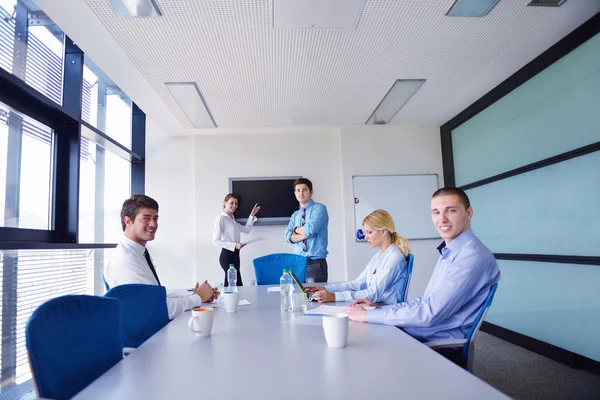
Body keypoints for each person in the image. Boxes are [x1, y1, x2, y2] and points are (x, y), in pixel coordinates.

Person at [347, 187, 500, 364]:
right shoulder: (451, 251)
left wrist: (366, 316)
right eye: (436, 212)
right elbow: (425, 302)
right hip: (420, 332)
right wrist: (380, 310)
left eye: (451, 210)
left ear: (469, 213)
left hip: (437, 345)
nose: (442, 219)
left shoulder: (471, 257)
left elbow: (429, 313)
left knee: (358, 351)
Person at [106, 194, 218, 319]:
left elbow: (156, 296)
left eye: (155, 218)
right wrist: (198, 298)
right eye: (146, 218)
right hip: (149, 335)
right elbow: (159, 308)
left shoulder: (137, 252)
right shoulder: (127, 260)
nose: (153, 224)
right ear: (128, 221)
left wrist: (195, 295)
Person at [304, 209, 409, 304]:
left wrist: (334, 297)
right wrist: (326, 289)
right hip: (376, 306)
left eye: (369, 232)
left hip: (387, 309)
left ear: (383, 232)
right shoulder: (378, 257)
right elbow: (356, 284)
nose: (365, 236)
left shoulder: (394, 258)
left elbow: (373, 293)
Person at [285, 178, 329, 282]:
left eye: (304, 190)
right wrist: (304, 235)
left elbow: (310, 229)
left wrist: (295, 230)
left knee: (315, 297)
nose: (301, 193)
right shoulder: (295, 215)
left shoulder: (320, 208)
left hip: (315, 262)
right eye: (298, 190)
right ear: (295, 193)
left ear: (311, 192)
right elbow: (287, 236)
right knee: (297, 296)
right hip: (298, 262)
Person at [212, 194, 260, 287]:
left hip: (235, 254)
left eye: (236, 204)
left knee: (235, 283)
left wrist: (252, 215)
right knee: (232, 283)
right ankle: (228, 301)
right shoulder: (221, 219)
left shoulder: (232, 219)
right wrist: (234, 245)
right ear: (225, 203)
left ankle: (236, 301)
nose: (234, 206)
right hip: (227, 255)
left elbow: (246, 230)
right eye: (231, 203)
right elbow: (215, 241)